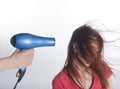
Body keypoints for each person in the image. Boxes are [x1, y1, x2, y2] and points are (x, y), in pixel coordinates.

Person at [52, 24, 114, 89]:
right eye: (90, 49)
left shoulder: (102, 67)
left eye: (96, 51)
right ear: (75, 46)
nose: (94, 56)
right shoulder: (60, 82)